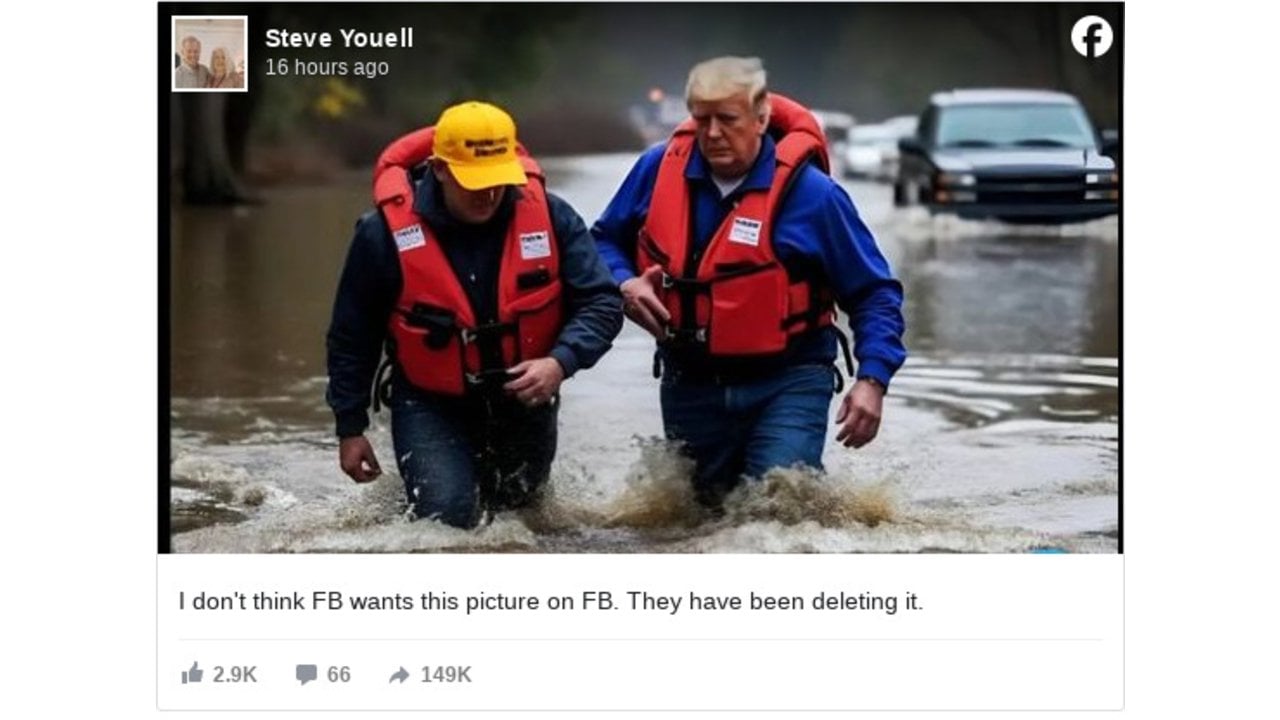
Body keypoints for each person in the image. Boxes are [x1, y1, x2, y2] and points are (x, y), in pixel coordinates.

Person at [591, 56, 907, 508]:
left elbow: (874, 292)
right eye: (702, 119)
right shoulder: (658, 169)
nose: (713, 133)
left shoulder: (815, 196)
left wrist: (872, 380)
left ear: (761, 118)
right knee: (700, 521)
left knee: (778, 508)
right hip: (691, 381)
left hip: (790, 378)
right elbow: (602, 242)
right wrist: (624, 283)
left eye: (727, 119)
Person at [326, 101, 624, 529]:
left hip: (524, 401)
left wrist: (560, 362)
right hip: (431, 402)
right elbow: (352, 336)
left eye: (498, 181)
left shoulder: (551, 216)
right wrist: (349, 428)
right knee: (447, 520)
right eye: (474, 182)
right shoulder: (381, 235)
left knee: (521, 524)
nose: (488, 194)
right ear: (440, 169)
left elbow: (602, 301)